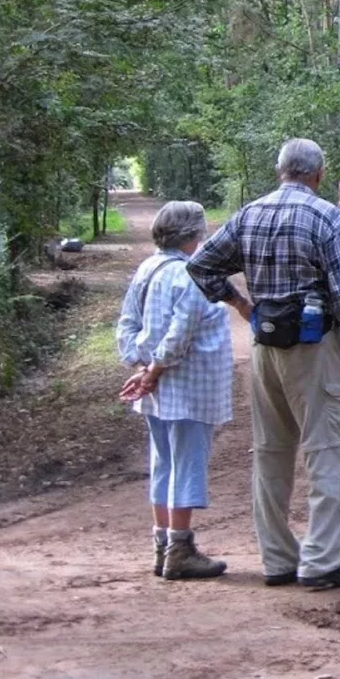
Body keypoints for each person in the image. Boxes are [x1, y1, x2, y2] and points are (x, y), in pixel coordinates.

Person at [187, 138, 340, 590]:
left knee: (271, 452)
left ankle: (277, 558)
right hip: (315, 348)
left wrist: (241, 303)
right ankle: (323, 560)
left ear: (280, 171)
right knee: (328, 447)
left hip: (265, 346)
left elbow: (200, 266)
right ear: (319, 173)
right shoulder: (324, 217)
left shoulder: (250, 213)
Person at [116, 201, 233, 581]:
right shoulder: (190, 274)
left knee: (163, 462)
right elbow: (179, 335)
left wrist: (141, 366)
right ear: (193, 235)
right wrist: (152, 371)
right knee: (186, 463)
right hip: (187, 386)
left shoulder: (148, 269)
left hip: (157, 388)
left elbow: (128, 324)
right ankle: (179, 549)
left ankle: (163, 545)